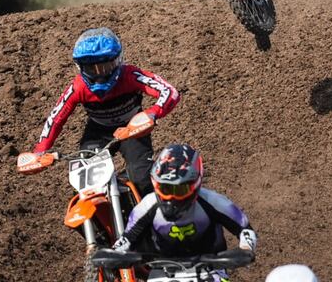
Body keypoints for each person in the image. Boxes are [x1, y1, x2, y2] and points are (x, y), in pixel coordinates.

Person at [18, 28, 179, 196]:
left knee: (142, 178)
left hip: (133, 129)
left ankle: (150, 218)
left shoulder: (131, 75)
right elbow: (56, 117)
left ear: (118, 61)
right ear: (80, 67)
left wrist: (152, 113)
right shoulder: (78, 87)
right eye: (92, 69)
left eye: (105, 66)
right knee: (83, 188)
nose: (99, 75)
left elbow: (170, 91)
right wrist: (40, 151)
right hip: (98, 133)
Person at [112, 143, 257, 277]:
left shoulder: (213, 201)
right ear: (156, 184)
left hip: (211, 270)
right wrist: (115, 253)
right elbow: (126, 239)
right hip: (163, 271)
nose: (172, 197)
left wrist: (245, 249)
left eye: (180, 189)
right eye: (166, 188)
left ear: (196, 183)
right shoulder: (148, 205)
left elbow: (244, 229)